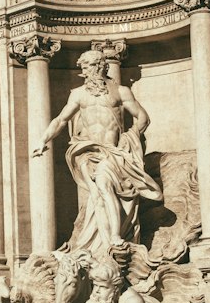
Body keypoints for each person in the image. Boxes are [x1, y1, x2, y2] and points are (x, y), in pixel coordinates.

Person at [32, 48, 163, 250]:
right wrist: (43, 139)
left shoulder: (121, 91)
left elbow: (143, 117)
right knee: (98, 193)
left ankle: (110, 238)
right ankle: (111, 238)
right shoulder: (78, 95)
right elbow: (60, 120)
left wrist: (130, 139)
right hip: (86, 152)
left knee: (102, 188)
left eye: (90, 65)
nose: (86, 71)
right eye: (83, 67)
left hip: (112, 151)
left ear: (101, 66)